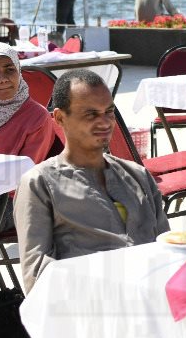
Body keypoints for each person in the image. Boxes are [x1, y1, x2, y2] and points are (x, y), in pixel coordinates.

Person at [14, 70, 168, 292]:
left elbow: (168, 247)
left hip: (153, 298)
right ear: (60, 118)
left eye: (109, 112)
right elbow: (37, 276)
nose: (104, 122)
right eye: (91, 114)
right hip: (89, 304)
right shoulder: (40, 184)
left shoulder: (138, 176)